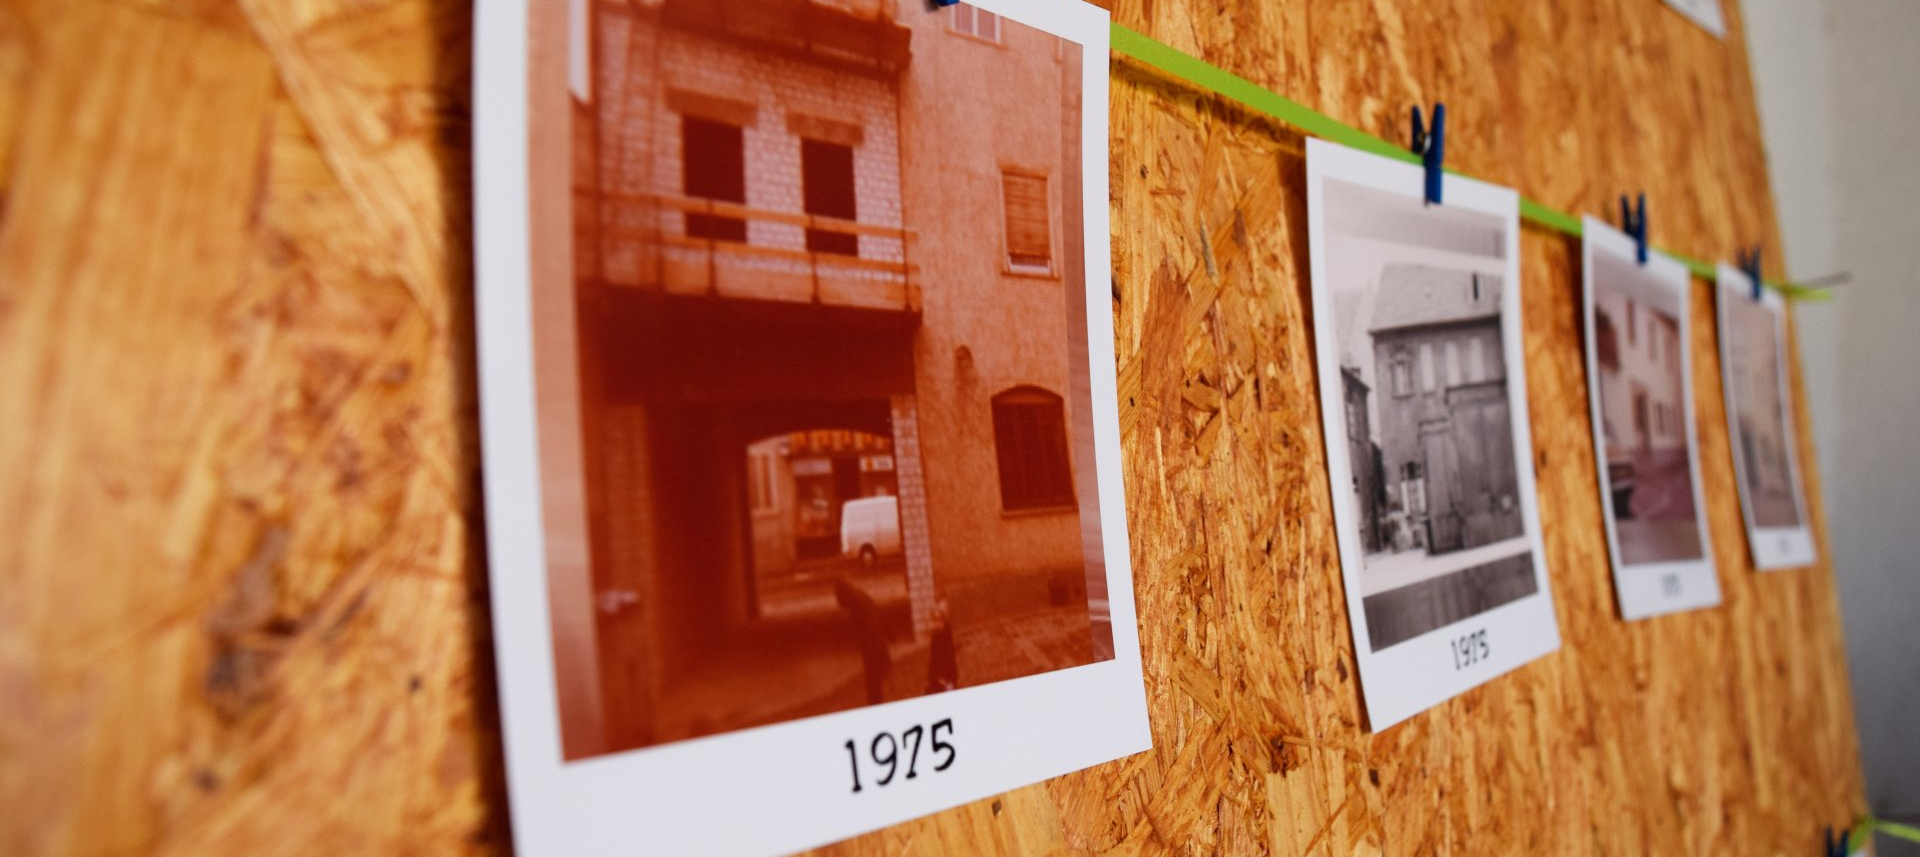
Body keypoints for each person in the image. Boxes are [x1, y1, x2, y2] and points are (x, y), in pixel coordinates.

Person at [833, 578, 890, 705]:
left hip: (872, 645)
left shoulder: (855, 603)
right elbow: (876, 615)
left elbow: (867, 626)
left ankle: (875, 704)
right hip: (877, 642)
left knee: (872, 679)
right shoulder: (861, 595)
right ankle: (876, 701)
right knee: (875, 678)